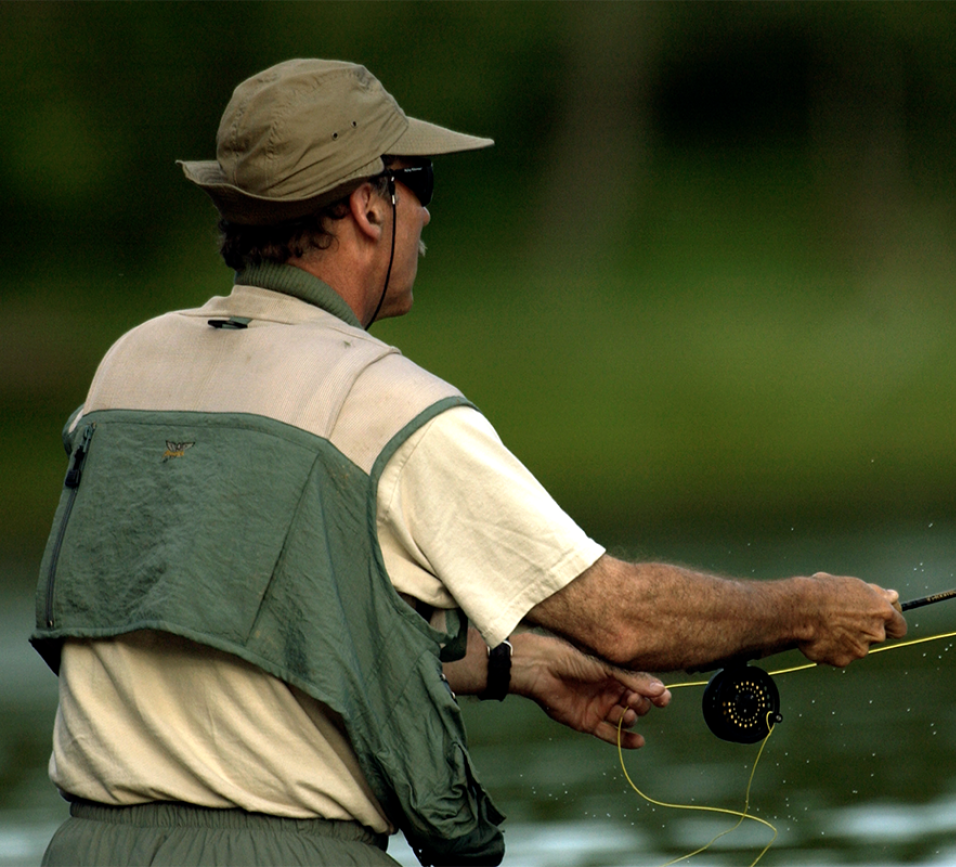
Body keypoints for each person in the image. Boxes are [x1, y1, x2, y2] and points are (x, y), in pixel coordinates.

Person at [32, 58, 907, 867]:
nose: (426, 212)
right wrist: (803, 607)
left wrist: (509, 664)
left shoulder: (128, 369)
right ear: (370, 207)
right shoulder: (385, 404)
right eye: (421, 184)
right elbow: (621, 619)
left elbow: (249, 623)